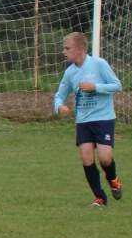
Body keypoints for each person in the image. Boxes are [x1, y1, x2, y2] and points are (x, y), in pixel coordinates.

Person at [52, 31, 123, 207]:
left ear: (80, 49)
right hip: (83, 121)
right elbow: (59, 96)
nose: (64, 52)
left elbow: (117, 85)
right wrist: (59, 107)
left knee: (105, 159)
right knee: (86, 159)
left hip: (103, 118)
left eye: (67, 48)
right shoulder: (70, 73)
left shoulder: (99, 64)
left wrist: (95, 87)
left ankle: (113, 180)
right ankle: (100, 198)